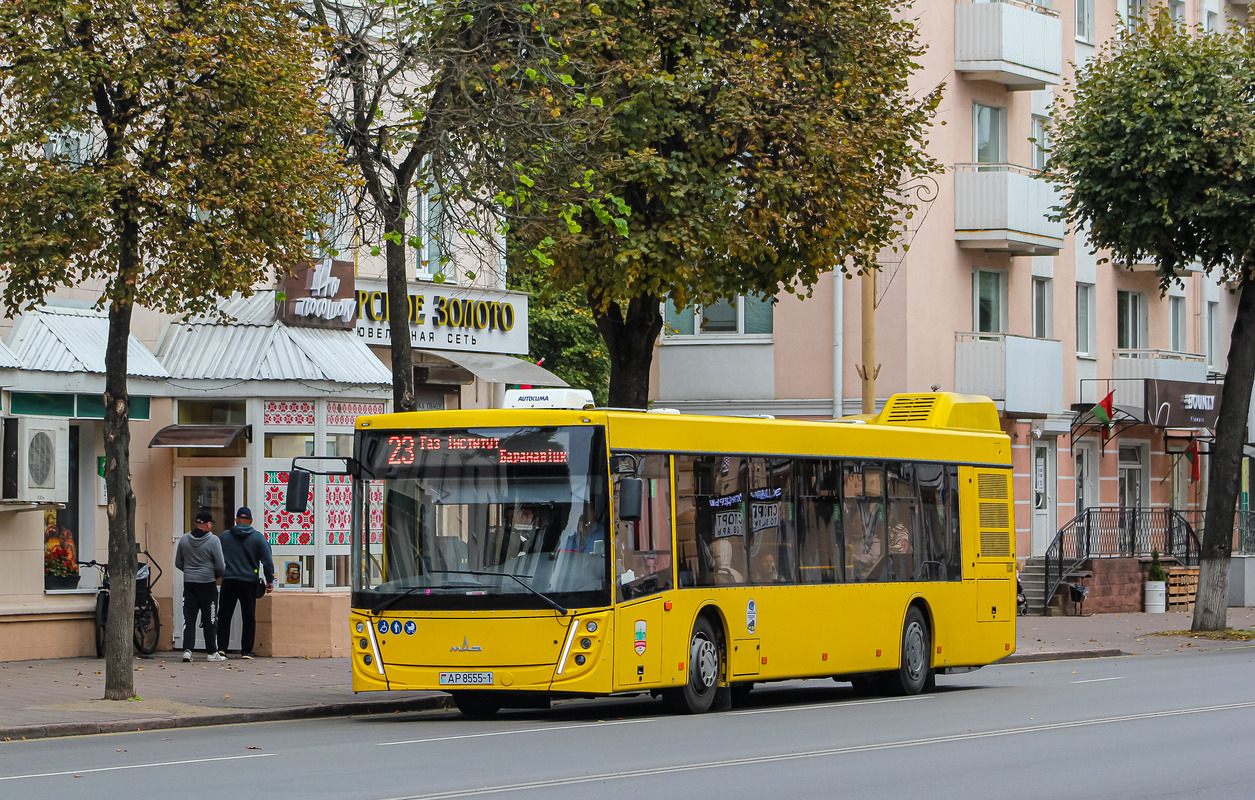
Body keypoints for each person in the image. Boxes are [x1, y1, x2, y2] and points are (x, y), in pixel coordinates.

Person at [217, 507, 275, 659]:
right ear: (251, 521)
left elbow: (216, 557)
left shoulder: (225, 536)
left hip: (229, 581)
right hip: (248, 582)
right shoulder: (258, 538)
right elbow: (267, 561)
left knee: (224, 615)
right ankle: (246, 651)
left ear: (236, 520)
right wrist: (269, 580)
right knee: (248, 617)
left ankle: (221, 648)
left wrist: (218, 574)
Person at [175, 511, 227, 662]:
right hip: (207, 585)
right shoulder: (213, 541)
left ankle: (187, 650)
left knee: (189, 618)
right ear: (208, 524)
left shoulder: (184, 539)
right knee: (210, 618)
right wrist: (212, 575)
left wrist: (191, 572)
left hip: (190, 584)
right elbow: (220, 566)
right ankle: (211, 652)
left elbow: (178, 563)